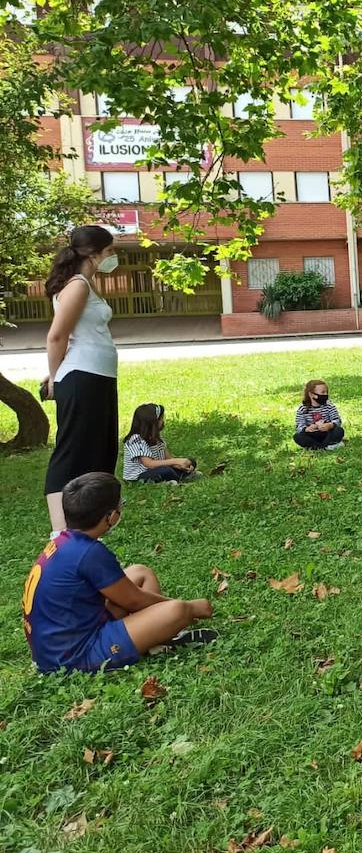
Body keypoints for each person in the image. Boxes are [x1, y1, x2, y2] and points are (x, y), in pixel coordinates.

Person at [21, 473, 216, 673]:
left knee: (141, 572)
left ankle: (157, 636)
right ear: (111, 516)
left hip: (61, 643)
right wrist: (191, 608)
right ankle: (160, 631)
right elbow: (134, 601)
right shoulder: (89, 552)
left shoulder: (64, 542)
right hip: (74, 656)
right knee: (177, 611)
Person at [40, 225, 121, 534]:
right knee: (72, 452)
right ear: (93, 254)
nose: (113, 257)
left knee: (97, 452)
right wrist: (55, 377)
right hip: (81, 376)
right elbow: (57, 336)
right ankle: (60, 534)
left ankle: (85, 528)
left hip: (98, 377)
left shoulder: (87, 284)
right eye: (110, 251)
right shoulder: (78, 286)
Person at [122, 403, 197, 484]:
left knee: (190, 461)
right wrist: (176, 461)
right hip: (139, 476)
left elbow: (168, 459)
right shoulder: (136, 440)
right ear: (153, 423)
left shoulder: (157, 439)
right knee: (165, 470)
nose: (163, 421)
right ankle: (179, 479)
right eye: (161, 419)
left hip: (157, 470)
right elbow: (149, 464)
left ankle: (180, 476)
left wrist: (180, 465)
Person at [294, 379, 345, 449]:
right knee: (298, 436)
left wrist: (330, 425)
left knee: (339, 431)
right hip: (313, 435)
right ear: (312, 394)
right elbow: (299, 425)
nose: (326, 394)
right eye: (323, 392)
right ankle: (323, 446)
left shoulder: (329, 406)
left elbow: (337, 420)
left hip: (327, 433)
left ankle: (322, 446)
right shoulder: (303, 409)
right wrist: (306, 429)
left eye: (326, 392)